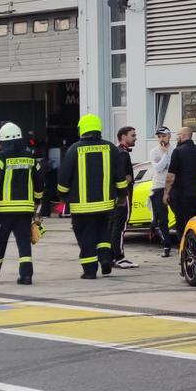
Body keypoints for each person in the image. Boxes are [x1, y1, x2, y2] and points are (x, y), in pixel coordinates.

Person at [58, 114, 127, 280]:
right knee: (103, 232)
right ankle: (105, 259)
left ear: (82, 129)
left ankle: (89, 271)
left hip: (81, 207)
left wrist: (62, 195)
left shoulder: (74, 149)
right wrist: (122, 196)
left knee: (86, 236)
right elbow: (120, 177)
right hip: (106, 204)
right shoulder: (111, 148)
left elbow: (64, 178)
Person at [0, 122, 44, 285]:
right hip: (25, 210)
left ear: (4, 141)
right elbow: (39, 184)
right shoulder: (31, 159)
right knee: (24, 243)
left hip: (4, 210)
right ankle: (26, 276)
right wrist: (36, 202)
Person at [164, 127, 196, 275]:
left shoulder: (178, 152)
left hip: (182, 196)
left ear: (183, 136)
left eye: (177, 135)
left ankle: (184, 259)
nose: (176, 137)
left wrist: (166, 193)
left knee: (182, 228)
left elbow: (171, 176)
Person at [109, 126, 139, 269]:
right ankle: (119, 257)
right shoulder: (122, 154)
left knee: (113, 226)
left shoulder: (115, 151)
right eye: (132, 135)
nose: (135, 138)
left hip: (114, 195)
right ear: (123, 137)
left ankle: (110, 256)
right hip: (122, 195)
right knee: (120, 226)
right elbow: (123, 177)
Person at [149, 127, 174, 257]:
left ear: (169, 136)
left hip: (174, 186)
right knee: (162, 219)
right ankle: (166, 245)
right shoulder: (154, 152)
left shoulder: (175, 150)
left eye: (163, 136)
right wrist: (164, 155)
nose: (161, 139)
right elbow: (158, 168)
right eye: (159, 137)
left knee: (179, 215)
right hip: (158, 187)